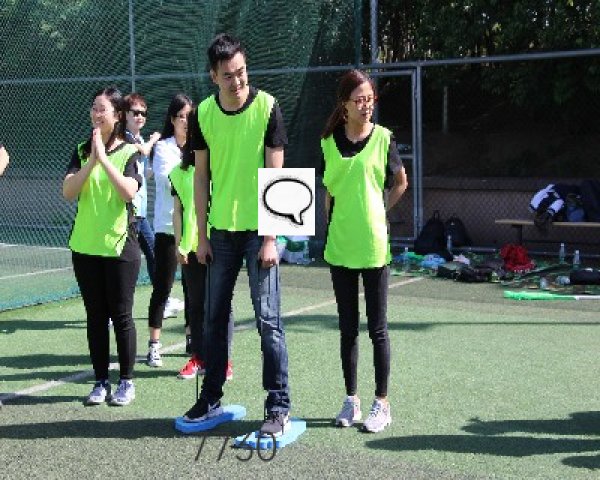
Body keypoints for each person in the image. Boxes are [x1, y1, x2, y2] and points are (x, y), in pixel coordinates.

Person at [183, 33, 291, 436]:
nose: (237, 80)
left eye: (242, 72)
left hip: (259, 233)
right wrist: (201, 235)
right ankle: (210, 398)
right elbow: (201, 178)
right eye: (228, 75)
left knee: (268, 321)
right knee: (213, 320)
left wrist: (271, 239)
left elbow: (277, 177)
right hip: (220, 233)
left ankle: (278, 406)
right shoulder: (203, 114)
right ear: (213, 76)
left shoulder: (268, 107)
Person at [321, 69, 408, 433]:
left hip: (374, 247)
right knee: (347, 329)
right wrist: (333, 223)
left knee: (378, 329)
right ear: (344, 104)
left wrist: (378, 210)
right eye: (359, 100)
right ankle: (351, 399)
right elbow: (328, 192)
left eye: (370, 99)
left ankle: (381, 403)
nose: (366, 105)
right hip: (340, 246)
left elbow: (400, 182)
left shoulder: (384, 139)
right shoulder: (328, 142)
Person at [63, 86, 142, 406]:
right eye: (93, 108)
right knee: (95, 317)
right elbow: (68, 191)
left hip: (119, 247)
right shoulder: (82, 150)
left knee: (121, 316)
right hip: (85, 247)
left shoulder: (130, 151)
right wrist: (91, 160)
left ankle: (126, 381)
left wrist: (104, 160)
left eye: (102, 109)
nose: (96, 114)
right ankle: (100, 382)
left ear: (117, 115)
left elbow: (128, 192)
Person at [169, 148, 233, 381]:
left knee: (221, 304)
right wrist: (179, 244)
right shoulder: (178, 173)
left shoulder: (221, 167)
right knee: (195, 305)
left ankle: (224, 361)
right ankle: (199, 357)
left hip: (220, 246)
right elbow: (177, 211)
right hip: (192, 248)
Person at [146, 94, 192, 367]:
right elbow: (168, 179)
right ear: (172, 120)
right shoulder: (163, 148)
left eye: (189, 116)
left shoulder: (199, 146)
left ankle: (191, 338)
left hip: (193, 228)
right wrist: (192, 171)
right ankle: (154, 345)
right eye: (181, 116)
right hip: (166, 227)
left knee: (192, 288)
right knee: (163, 287)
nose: (186, 121)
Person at [124, 93, 160, 286]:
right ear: (125, 114)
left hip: (141, 211)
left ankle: (162, 297)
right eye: (135, 112)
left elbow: (144, 174)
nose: (140, 117)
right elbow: (144, 150)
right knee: (129, 259)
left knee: (154, 253)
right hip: (130, 211)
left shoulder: (138, 137)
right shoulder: (125, 137)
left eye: (143, 113)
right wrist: (154, 140)